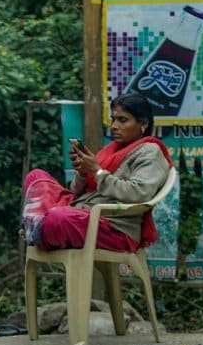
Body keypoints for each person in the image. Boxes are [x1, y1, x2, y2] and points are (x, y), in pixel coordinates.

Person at [22, 93, 172, 252]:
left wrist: (97, 171)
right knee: (36, 176)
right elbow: (75, 192)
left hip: (111, 227)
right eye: (113, 119)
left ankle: (37, 227)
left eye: (123, 120)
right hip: (81, 210)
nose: (114, 126)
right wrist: (83, 173)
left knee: (57, 219)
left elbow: (139, 193)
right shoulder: (111, 151)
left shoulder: (150, 151)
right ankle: (39, 227)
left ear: (143, 124)